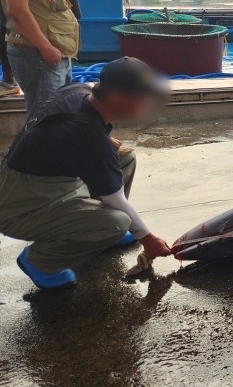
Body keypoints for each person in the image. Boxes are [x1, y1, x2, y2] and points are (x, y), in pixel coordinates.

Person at [0, 57, 173, 290]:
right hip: (20, 203)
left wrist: (102, 138)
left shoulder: (80, 91)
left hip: (44, 177)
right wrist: (148, 239)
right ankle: (39, 262)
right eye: (142, 96)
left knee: (125, 159)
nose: (148, 102)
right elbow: (115, 198)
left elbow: (55, 124)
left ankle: (97, 230)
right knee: (117, 222)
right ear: (117, 96)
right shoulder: (87, 136)